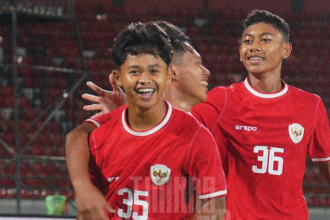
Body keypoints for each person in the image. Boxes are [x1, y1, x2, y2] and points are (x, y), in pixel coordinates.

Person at [69, 11, 330, 220]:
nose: (254, 46)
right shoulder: (222, 100)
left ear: (286, 50)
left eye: (265, 39)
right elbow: (166, 125)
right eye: (247, 40)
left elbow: (325, 164)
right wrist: (129, 107)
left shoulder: (311, 105)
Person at [67, 21, 227, 220]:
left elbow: (215, 205)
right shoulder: (100, 136)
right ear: (118, 78)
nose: (144, 79)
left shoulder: (196, 135)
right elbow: (76, 136)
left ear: (168, 75)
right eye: (135, 72)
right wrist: (82, 188)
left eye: (153, 71)